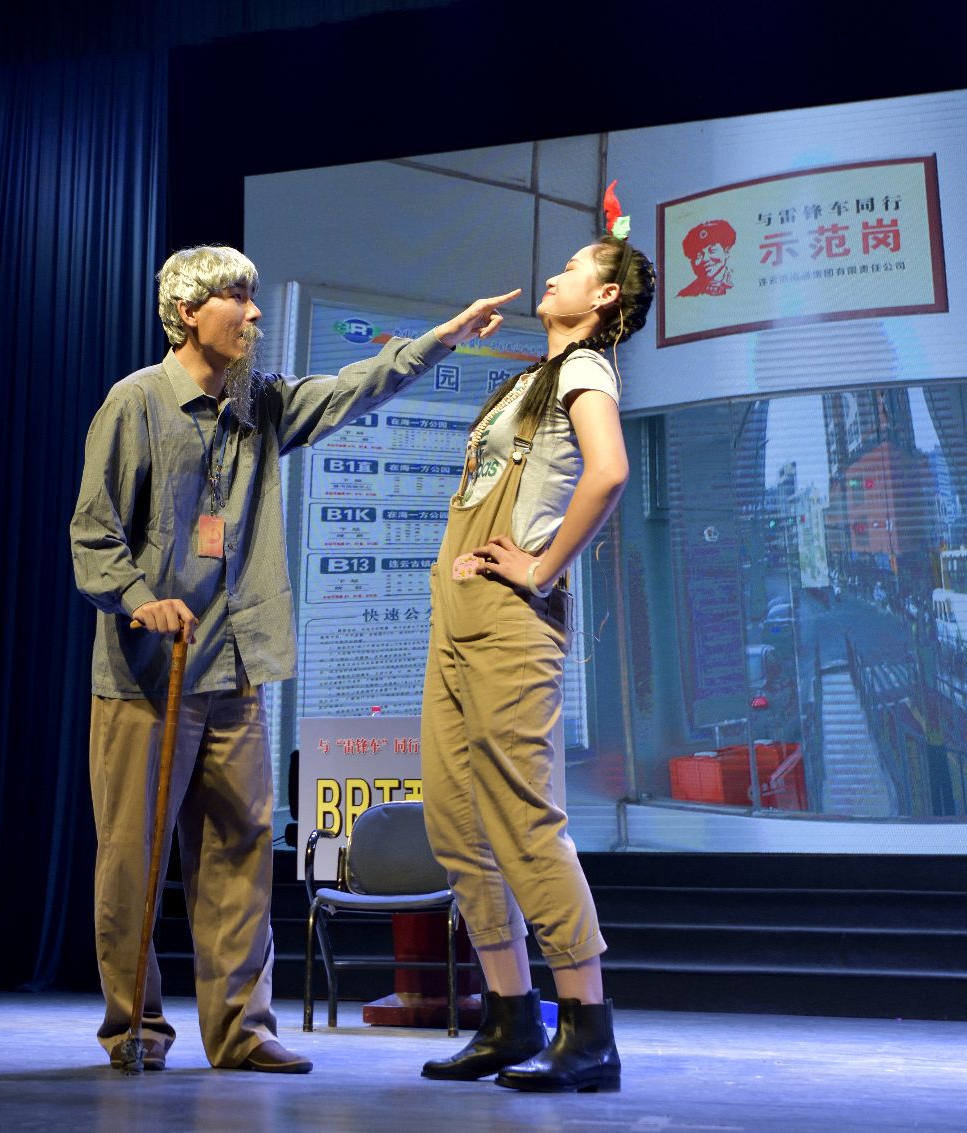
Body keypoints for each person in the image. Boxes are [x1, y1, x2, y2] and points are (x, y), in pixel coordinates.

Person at [71, 243, 518, 1073]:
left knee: (240, 852)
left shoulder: (261, 404)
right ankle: (135, 1026)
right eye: (236, 298)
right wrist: (138, 597)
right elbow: (93, 533)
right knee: (132, 860)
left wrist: (444, 337)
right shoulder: (136, 403)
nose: (254, 313)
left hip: (237, 670)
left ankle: (242, 1029)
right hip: (150, 678)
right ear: (187, 313)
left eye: (254, 297)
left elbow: (354, 386)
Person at [417, 229, 655, 1092]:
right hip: (459, 614)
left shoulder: (585, 368)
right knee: (456, 822)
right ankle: (510, 1014)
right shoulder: (531, 378)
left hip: (511, 619)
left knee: (523, 818)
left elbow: (609, 470)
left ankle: (588, 1028)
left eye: (575, 268)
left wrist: (543, 566)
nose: (556, 274)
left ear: (604, 298)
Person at [676, 219, 734, 296]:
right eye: (698, 255)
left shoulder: (742, 283)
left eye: (712, 250)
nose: (705, 259)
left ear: (726, 252)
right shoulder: (685, 295)